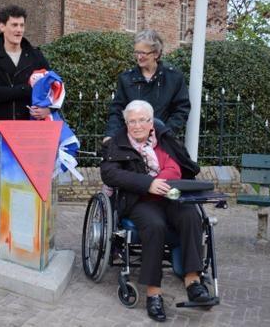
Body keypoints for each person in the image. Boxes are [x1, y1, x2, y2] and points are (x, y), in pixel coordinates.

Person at [100, 100, 212, 322]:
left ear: (152, 123)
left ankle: (192, 281)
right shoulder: (117, 144)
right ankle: (153, 293)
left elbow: (176, 167)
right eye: (132, 121)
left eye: (142, 120)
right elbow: (110, 174)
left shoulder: (164, 141)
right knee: (155, 225)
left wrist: (161, 181)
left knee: (191, 214)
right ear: (126, 123)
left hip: (168, 195)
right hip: (138, 200)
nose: (137, 125)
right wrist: (147, 183)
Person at [0, 5, 50, 255]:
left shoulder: (36, 56)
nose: (18, 30)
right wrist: (28, 89)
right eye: (13, 25)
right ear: (2, 26)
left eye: (21, 25)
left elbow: (51, 88)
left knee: (28, 182)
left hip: (30, 129)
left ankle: (23, 231)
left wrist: (48, 109)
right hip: (1, 130)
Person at [104, 29, 190, 142]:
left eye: (143, 53)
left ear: (156, 54)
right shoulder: (126, 78)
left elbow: (181, 109)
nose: (139, 57)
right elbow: (117, 110)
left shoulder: (173, 77)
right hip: (132, 141)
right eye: (137, 52)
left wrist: (165, 133)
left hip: (162, 141)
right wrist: (111, 134)